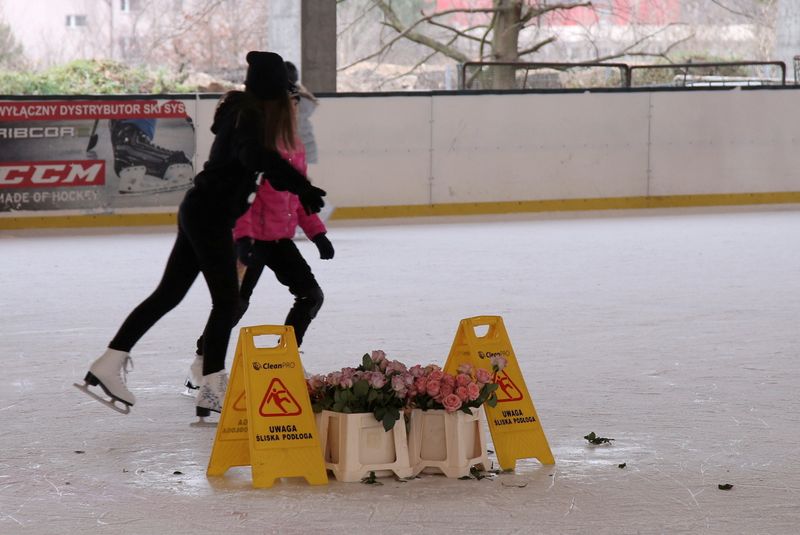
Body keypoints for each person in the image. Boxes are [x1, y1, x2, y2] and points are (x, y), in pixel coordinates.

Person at [78, 51, 326, 418]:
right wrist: (300, 185)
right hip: (209, 216)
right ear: (274, 90)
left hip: (200, 211)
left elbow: (259, 162)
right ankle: (211, 387)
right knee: (227, 302)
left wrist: (297, 187)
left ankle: (109, 362)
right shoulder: (250, 117)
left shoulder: (244, 113)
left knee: (169, 295)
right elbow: (255, 156)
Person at [185, 89, 334, 392]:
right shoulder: (256, 147)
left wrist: (317, 233)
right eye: (290, 107)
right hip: (250, 239)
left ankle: (285, 357)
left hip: (279, 239)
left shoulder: (295, 147)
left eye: (297, 107)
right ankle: (202, 361)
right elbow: (241, 200)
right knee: (234, 304)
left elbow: (298, 196)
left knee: (311, 296)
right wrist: (244, 239)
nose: (295, 113)